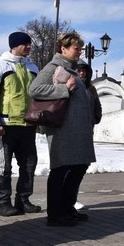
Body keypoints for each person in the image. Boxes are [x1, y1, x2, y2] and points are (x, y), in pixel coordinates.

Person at [29, 32, 96, 226]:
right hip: (63, 130)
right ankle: (56, 214)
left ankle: (67, 208)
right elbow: (35, 89)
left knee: (79, 166)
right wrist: (64, 89)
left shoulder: (73, 69)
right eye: (76, 48)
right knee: (61, 169)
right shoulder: (53, 67)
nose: (80, 52)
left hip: (78, 130)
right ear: (63, 49)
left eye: (81, 48)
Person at [0, 31, 41, 216]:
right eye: (25, 44)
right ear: (14, 45)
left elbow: (38, 95)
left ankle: (23, 200)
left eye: (29, 44)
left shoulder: (33, 67)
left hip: (28, 125)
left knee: (29, 165)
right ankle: (3, 203)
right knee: (4, 166)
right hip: (6, 126)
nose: (28, 47)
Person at [74, 60, 102, 210]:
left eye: (84, 71)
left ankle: (72, 198)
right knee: (73, 166)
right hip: (74, 132)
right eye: (79, 70)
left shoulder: (91, 89)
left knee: (83, 165)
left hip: (87, 131)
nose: (82, 73)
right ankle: (70, 199)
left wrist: (96, 116)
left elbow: (97, 104)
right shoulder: (72, 86)